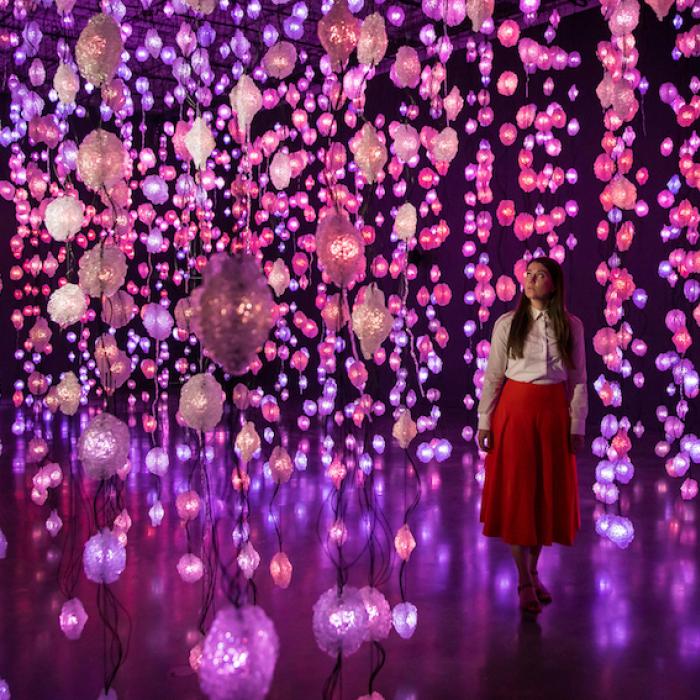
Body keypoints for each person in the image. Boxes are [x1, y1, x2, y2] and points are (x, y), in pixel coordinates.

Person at [476, 256, 587, 616]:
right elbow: (493, 375)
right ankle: (523, 580)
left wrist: (577, 425)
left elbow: (578, 379)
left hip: (553, 413)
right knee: (518, 495)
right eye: (528, 274)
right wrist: (485, 420)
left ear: (554, 284)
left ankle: (533, 571)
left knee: (542, 497)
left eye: (540, 275)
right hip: (516, 412)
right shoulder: (508, 324)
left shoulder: (572, 326)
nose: (531, 279)